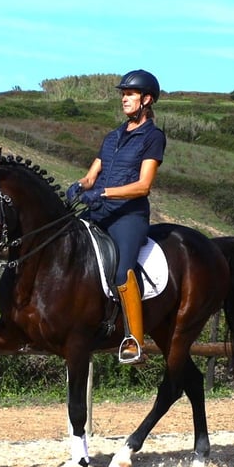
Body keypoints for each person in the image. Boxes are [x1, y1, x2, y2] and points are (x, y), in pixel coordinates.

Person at [66, 69, 166, 364]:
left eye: (130, 94)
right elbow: (90, 176)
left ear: (146, 100)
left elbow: (143, 185)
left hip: (128, 217)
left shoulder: (153, 138)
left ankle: (134, 340)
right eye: (123, 94)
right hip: (98, 212)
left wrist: (104, 192)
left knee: (123, 272)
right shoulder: (112, 137)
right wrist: (78, 186)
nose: (124, 99)